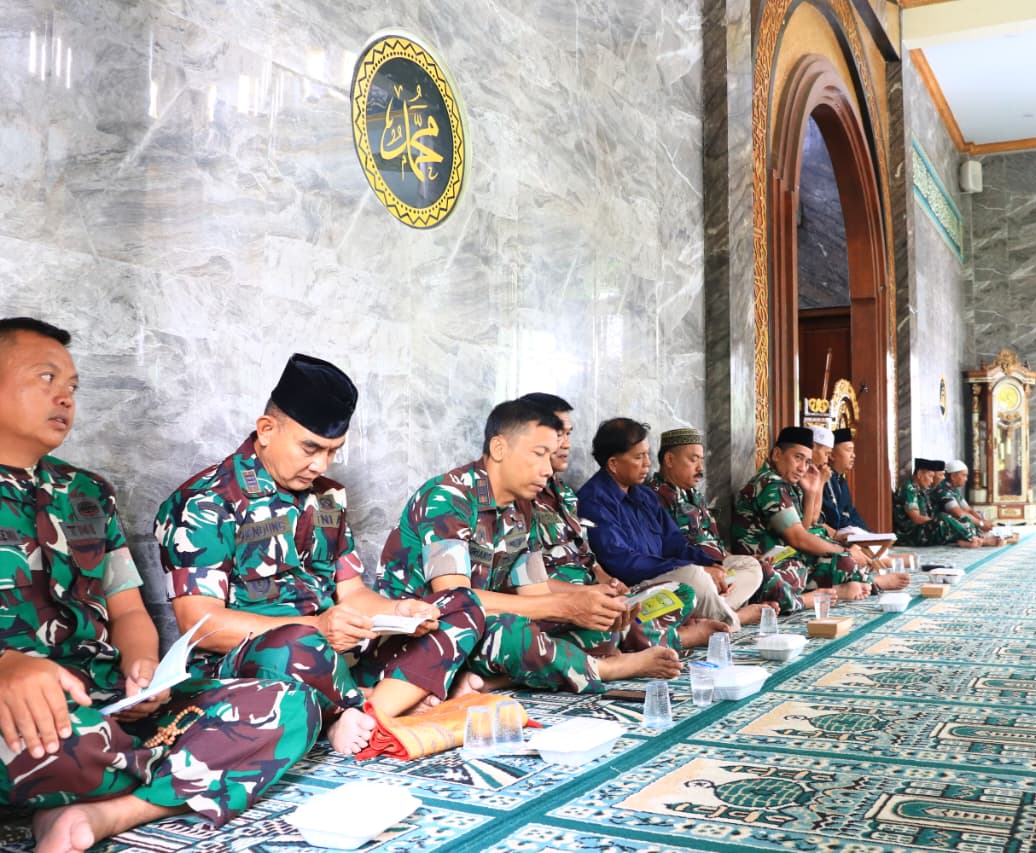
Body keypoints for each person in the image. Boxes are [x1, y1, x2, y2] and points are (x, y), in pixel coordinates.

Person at [0, 318, 319, 853]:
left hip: (110, 705)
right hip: (32, 721)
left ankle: (113, 811)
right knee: (55, 745)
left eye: (72, 386)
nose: (64, 397)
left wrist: (142, 669)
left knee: (288, 703)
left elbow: (126, 610)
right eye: (46, 377)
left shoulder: (85, 493)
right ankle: (185, 770)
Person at [155, 354, 485, 756]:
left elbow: (353, 594)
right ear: (266, 430)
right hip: (263, 661)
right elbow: (199, 622)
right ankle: (381, 701)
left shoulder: (328, 498)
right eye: (310, 448)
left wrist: (397, 613)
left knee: (460, 604)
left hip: (340, 652)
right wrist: (316, 629)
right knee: (297, 643)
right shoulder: (206, 501)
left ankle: (363, 708)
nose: (320, 464)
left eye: (332, 451)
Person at [378, 400, 680, 695]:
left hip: (484, 626)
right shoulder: (449, 497)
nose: (548, 469)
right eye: (538, 454)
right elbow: (455, 600)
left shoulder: (522, 508)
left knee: (596, 628)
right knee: (511, 632)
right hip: (428, 638)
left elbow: (534, 591)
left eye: (550, 456)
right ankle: (608, 669)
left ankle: (484, 682)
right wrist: (566, 607)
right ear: (499, 449)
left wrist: (588, 602)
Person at [520, 392, 693, 651]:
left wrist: (607, 581)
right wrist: (581, 597)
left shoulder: (565, 493)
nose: (566, 444)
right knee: (605, 631)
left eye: (568, 434)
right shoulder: (521, 497)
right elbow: (526, 586)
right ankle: (678, 637)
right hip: (562, 607)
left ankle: (632, 637)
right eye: (559, 434)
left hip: (597, 598)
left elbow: (588, 554)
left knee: (683, 592)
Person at [576, 419, 756, 637]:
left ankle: (708, 611)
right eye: (638, 457)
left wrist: (712, 565)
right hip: (637, 588)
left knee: (747, 566)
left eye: (647, 455)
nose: (647, 464)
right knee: (694, 577)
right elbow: (624, 563)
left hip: (672, 575)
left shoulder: (643, 495)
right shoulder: (593, 502)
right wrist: (695, 569)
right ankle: (730, 622)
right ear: (613, 464)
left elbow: (676, 544)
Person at [732, 427, 906, 612]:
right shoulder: (770, 484)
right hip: (767, 564)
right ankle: (852, 587)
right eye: (797, 458)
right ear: (776, 454)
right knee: (826, 563)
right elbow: (798, 538)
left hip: (788, 556)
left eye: (807, 462)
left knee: (839, 561)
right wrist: (842, 550)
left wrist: (812, 491)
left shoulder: (786, 483)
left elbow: (805, 527)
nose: (802, 467)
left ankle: (842, 587)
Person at [647, 427, 779, 623]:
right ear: (669, 460)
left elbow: (713, 542)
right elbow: (663, 552)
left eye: (701, 460)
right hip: (688, 573)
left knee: (752, 567)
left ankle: (711, 610)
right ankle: (734, 616)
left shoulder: (695, 496)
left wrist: (730, 560)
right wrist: (706, 570)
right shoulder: (652, 497)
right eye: (693, 460)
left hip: (715, 571)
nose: (700, 468)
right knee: (698, 581)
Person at [894, 458, 994, 547]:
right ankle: (976, 539)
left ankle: (971, 539)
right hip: (909, 534)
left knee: (954, 520)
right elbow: (916, 518)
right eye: (930, 476)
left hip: (922, 529)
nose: (932, 481)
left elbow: (967, 510)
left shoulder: (921, 490)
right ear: (920, 474)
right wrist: (938, 520)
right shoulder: (909, 489)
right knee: (944, 519)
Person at [820, 427, 869, 532]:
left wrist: (866, 532)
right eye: (848, 450)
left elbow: (851, 512)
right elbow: (833, 516)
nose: (853, 455)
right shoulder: (824, 479)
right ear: (831, 454)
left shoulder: (841, 480)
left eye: (853, 451)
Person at [932, 460, 993, 533]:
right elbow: (958, 513)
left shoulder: (953, 489)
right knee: (966, 522)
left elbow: (968, 510)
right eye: (964, 475)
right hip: (938, 526)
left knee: (977, 515)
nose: (966, 479)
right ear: (953, 476)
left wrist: (983, 521)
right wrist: (981, 524)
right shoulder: (942, 489)